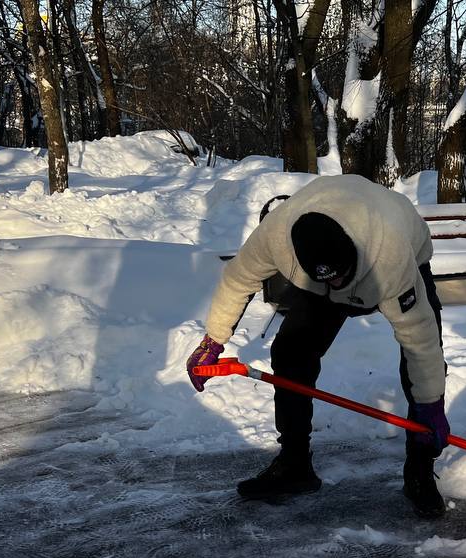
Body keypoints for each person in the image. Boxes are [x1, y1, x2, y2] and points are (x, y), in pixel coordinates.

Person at [186, 175, 451, 518]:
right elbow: (238, 279)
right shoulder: (277, 237)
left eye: (340, 276)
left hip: (396, 248)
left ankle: (419, 468)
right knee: (291, 352)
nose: (338, 285)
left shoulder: (390, 259)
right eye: (330, 279)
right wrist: (213, 339)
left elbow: (421, 342)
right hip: (323, 266)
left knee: (418, 367)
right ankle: (295, 464)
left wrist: (431, 404)